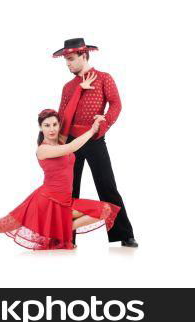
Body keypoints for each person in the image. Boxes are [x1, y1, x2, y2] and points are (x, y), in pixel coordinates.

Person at [0, 109, 118, 249]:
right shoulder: (43, 149)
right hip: (44, 202)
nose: (51, 129)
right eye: (47, 125)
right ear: (40, 127)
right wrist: (93, 130)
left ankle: (64, 230)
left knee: (105, 209)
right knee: (0, 225)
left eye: (54, 124)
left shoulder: (60, 138)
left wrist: (80, 88)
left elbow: (67, 112)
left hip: (65, 202)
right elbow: (72, 148)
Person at [53, 38, 138, 247]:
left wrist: (104, 124)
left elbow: (116, 104)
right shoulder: (68, 87)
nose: (68, 64)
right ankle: (65, 236)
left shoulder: (103, 79)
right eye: (66, 60)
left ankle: (124, 234)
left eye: (71, 59)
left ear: (84, 55)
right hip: (71, 142)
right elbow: (62, 115)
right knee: (69, 190)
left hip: (94, 138)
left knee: (107, 186)